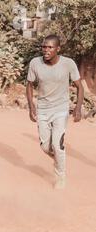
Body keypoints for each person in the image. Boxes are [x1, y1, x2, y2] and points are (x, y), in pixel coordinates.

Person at [26, 35, 84, 189]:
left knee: (57, 144)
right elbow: (30, 85)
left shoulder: (68, 64)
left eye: (50, 47)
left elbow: (80, 86)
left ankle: (61, 176)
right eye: (44, 47)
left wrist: (78, 108)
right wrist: (31, 106)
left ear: (58, 49)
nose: (46, 50)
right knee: (45, 147)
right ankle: (58, 159)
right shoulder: (35, 63)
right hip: (43, 109)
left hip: (61, 109)